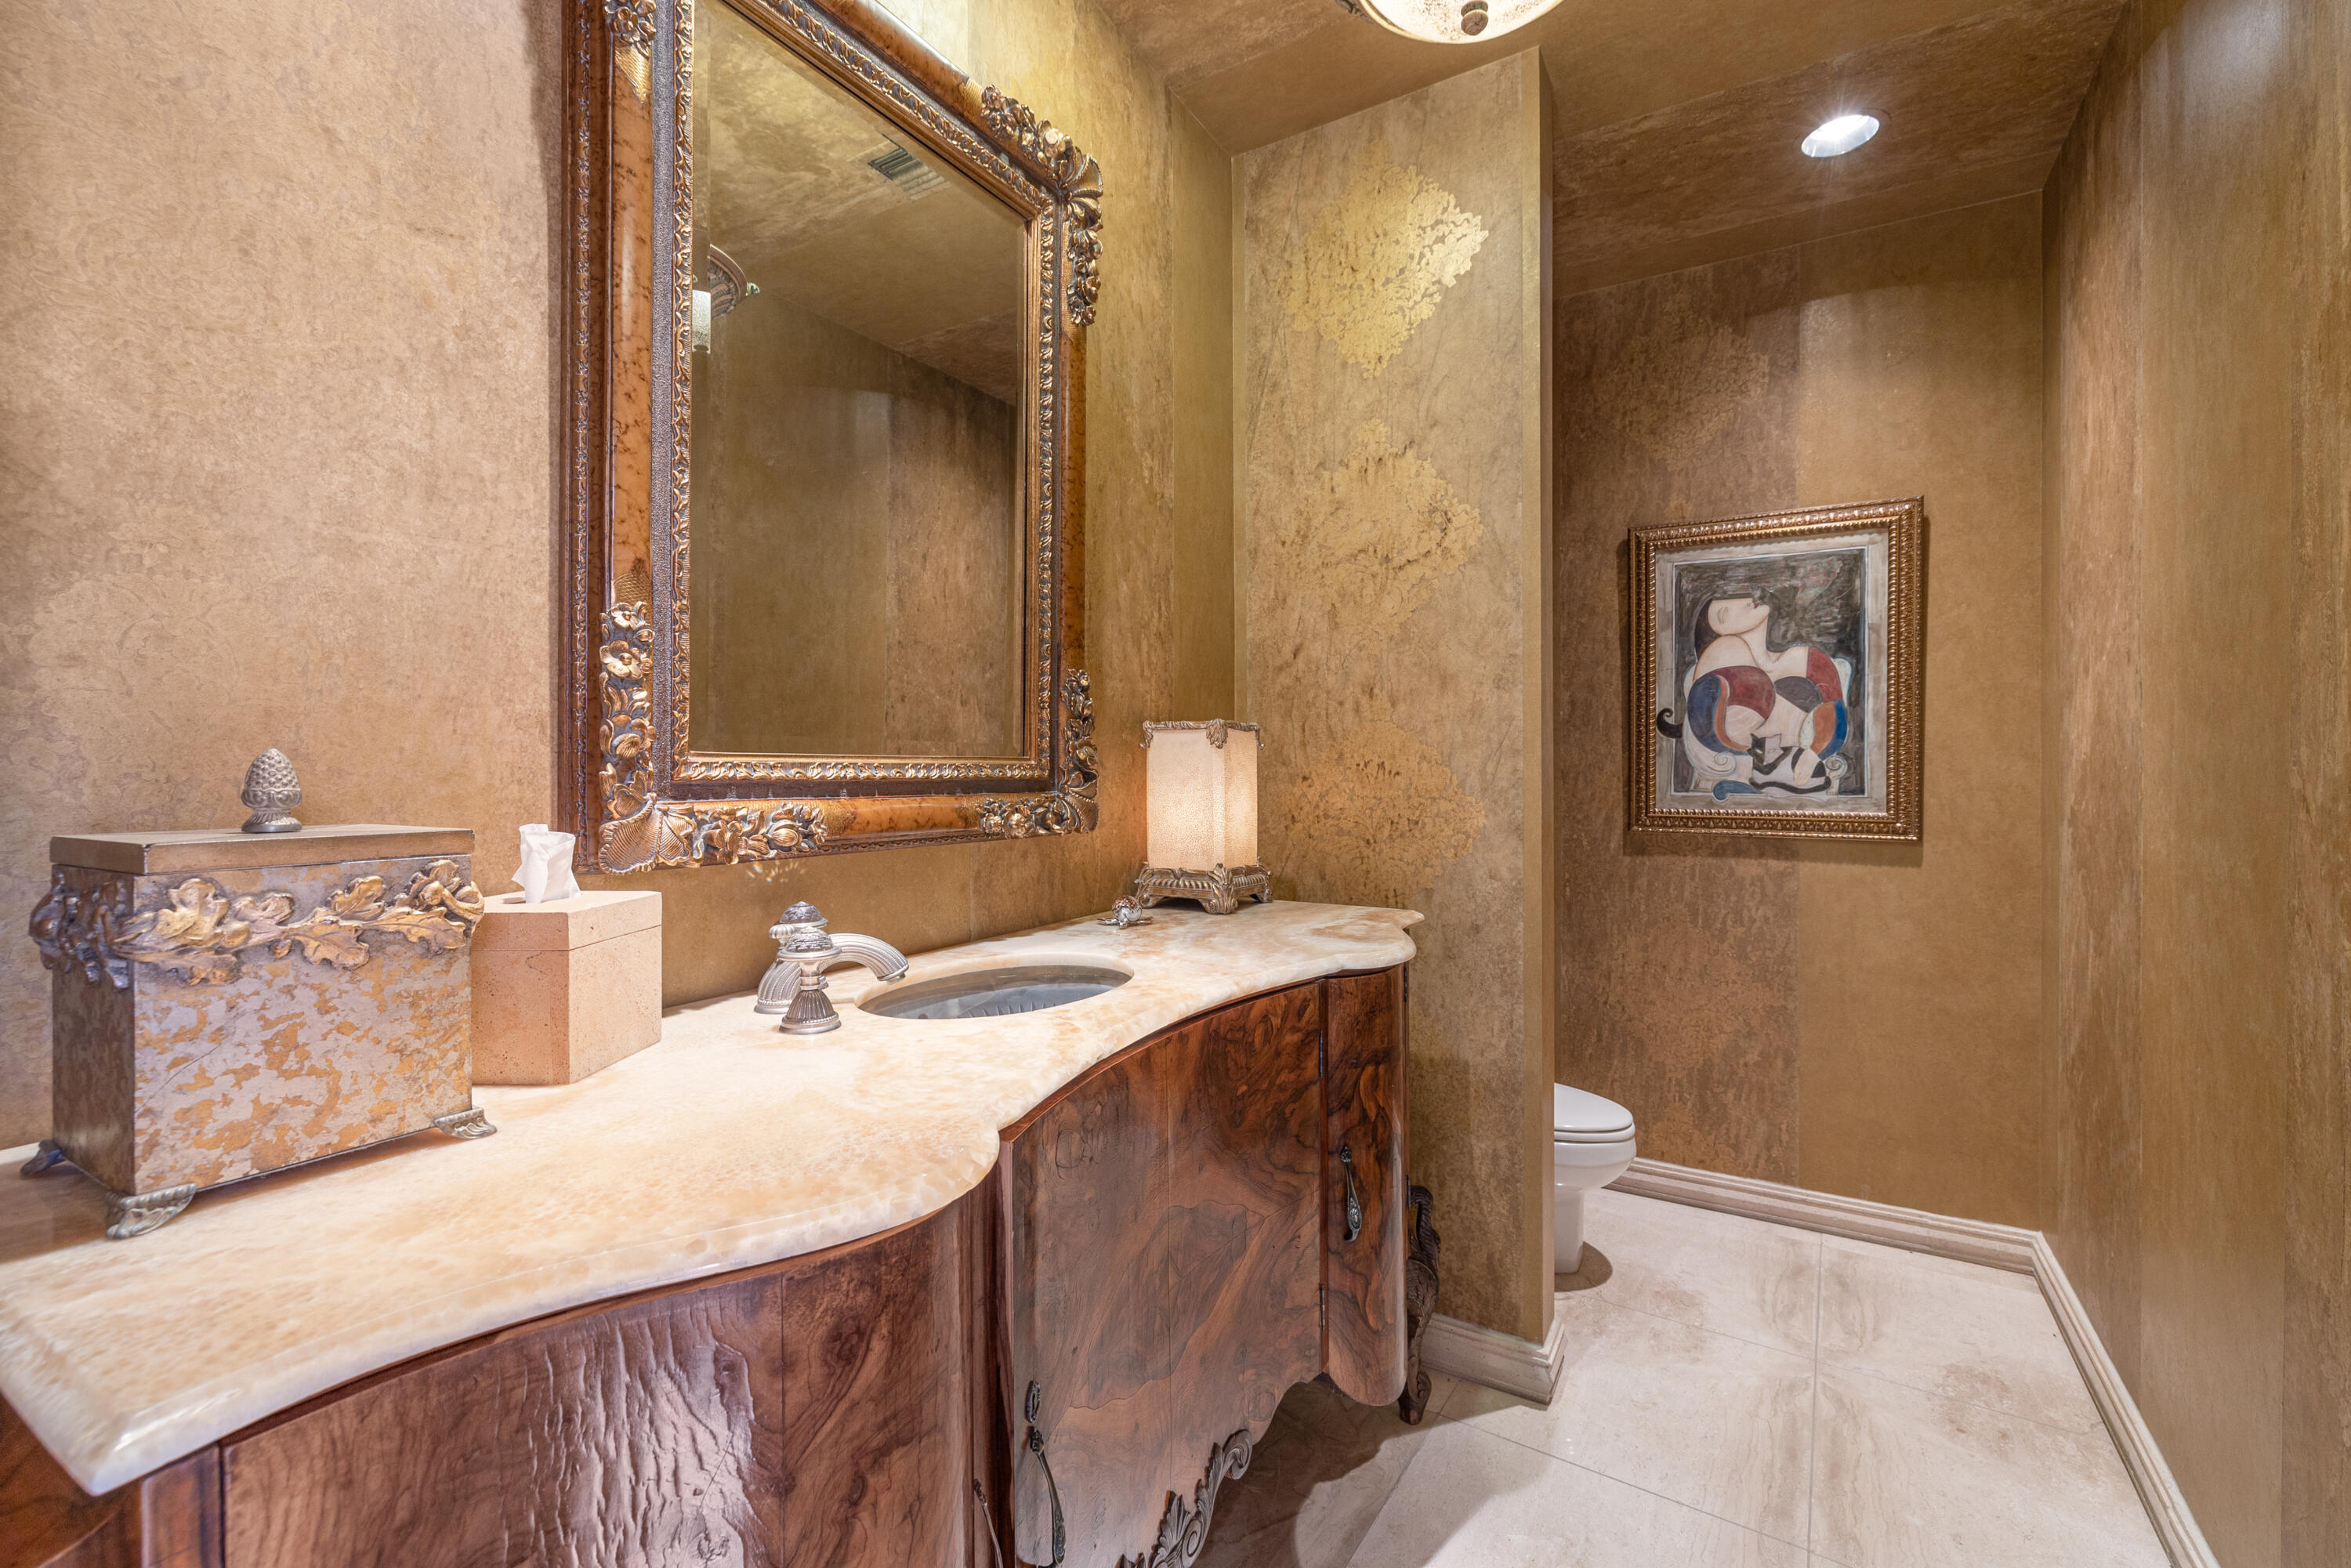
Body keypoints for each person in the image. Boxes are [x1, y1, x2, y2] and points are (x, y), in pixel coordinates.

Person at [1656, 593, 1850, 799]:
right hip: (1755, 772)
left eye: (1739, 599)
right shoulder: (1720, 668)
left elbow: (1835, 706)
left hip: (1799, 775)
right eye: (1725, 614)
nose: (1746, 602)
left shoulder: (1806, 658)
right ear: (1722, 634)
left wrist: (1813, 754)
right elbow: (1707, 721)